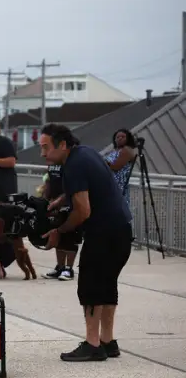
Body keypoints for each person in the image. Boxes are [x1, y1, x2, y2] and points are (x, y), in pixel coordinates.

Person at [39, 123, 134, 362]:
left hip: (102, 232)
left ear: (62, 145)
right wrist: (60, 201)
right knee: (107, 285)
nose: (43, 154)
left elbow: (83, 211)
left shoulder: (73, 165)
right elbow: (84, 190)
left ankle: (92, 344)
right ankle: (107, 341)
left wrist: (58, 230)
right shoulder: (87, 153)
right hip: (122, 229)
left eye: (45, 147)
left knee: (90, 287)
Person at [42, 158, 79, 281]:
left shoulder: (70, 162)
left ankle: (69, 268)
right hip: (54, 202)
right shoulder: (52, 162)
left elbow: (72, 186)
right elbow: (49, 180)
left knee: (70, 236)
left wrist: (61, 200)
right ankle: (60, 266)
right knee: (57, 234)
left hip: (68, 203)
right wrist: (45, 197)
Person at [105, 128, 137, 215]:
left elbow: (116, 167)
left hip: (119, 184)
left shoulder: (126, 150)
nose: (120, 138)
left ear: (128, 138)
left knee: (118, 209)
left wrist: (103, 163)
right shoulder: (116, 150)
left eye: (123, 136)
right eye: (117, 137)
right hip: (111, 183)